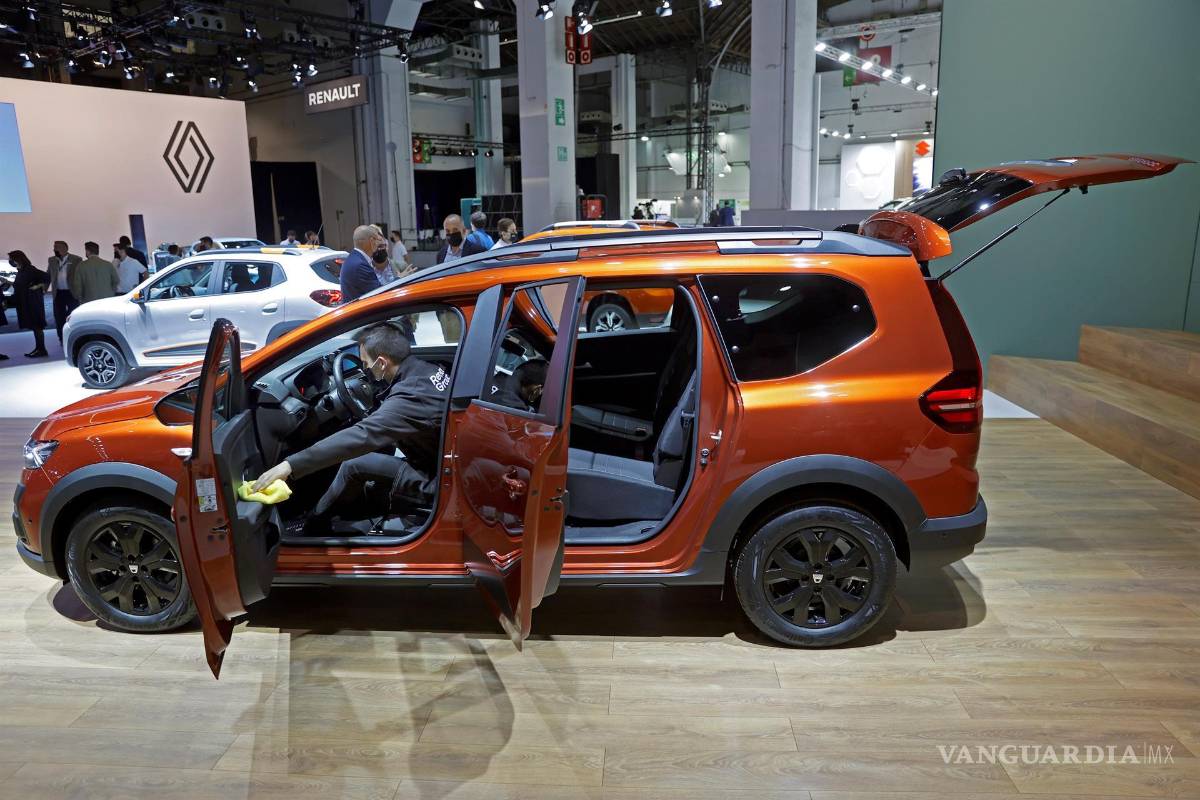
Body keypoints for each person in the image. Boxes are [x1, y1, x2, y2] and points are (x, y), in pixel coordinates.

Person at [251, 321, 450, 531]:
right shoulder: (426, 370)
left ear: (382, 363)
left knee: (353, 465)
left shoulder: (411, 396)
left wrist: (290, 465)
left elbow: (362, 434)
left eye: (366, 363)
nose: (365, 369)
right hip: (437, 462)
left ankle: (312, 526)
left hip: (436, 480)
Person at [8, 250, 49, 358]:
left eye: (11, 259)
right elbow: (20, 285)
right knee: (34, 326)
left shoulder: (30, 269)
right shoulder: (21, 271)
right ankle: (39, 348)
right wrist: (7, 282)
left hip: (33, 302)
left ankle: (41, 349)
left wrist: (38, 286)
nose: (10, 261)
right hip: (26, 302)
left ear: (18, 259)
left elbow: (46, 277)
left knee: (37, 326)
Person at [340, 224, 389, 303]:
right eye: (377, 240)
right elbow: (380, 292)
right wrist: (400, 279)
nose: (379, 244)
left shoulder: (354, 258)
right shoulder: (359, 265)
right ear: (372, 241)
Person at [45, 241, 81, 344]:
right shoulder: (52, 260)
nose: (54, 249)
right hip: (58, 293)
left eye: (56, 247)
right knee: (59, 317)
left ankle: (75, 337)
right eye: (54, 247)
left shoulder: (76, 259)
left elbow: (80, 275)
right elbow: (48, 275)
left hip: (72, 292)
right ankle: (62, 338)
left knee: (73, 315)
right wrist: (44, 288)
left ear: (65, 248)